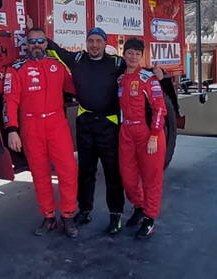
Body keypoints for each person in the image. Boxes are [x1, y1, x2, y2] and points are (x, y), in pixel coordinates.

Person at [46, 27, 126, 235]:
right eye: (91, 40)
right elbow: (55, 50)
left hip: (109, 125)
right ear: (86, 42)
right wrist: (34, 32)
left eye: (98, 41)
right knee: (86, 171)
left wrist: (157, 74)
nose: (94, 45)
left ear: (105, 43)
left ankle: (116, 215)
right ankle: (85, 210)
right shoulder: (78, 59)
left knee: (112, 173)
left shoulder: (116, 63)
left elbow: (137, 70)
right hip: (86, 124)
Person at [3, 27, 79, 238]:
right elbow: (10, 101)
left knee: (68, 171)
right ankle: (48, 217)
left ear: (46, 43)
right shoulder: (16, 69)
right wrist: (12, 130)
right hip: (31, 127)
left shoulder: (58, 66)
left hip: (57, 125)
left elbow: (77, 87)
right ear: (26, 44)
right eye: (32, 42)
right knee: (40, 174)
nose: (36, 45)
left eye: (40, 41)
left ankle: (68, 216)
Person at [117, 38, 167, 239]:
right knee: (128, 178)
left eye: (137, 54)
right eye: (130, 53)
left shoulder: (149, 78)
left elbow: (159, 108)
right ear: (124, 54)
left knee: (151, 179)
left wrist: (154, 135)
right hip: (126, 133)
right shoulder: (119, 79)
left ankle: (150, 218)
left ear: (141, 56)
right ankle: (139, 207)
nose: (133, 57)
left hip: (148, 135)